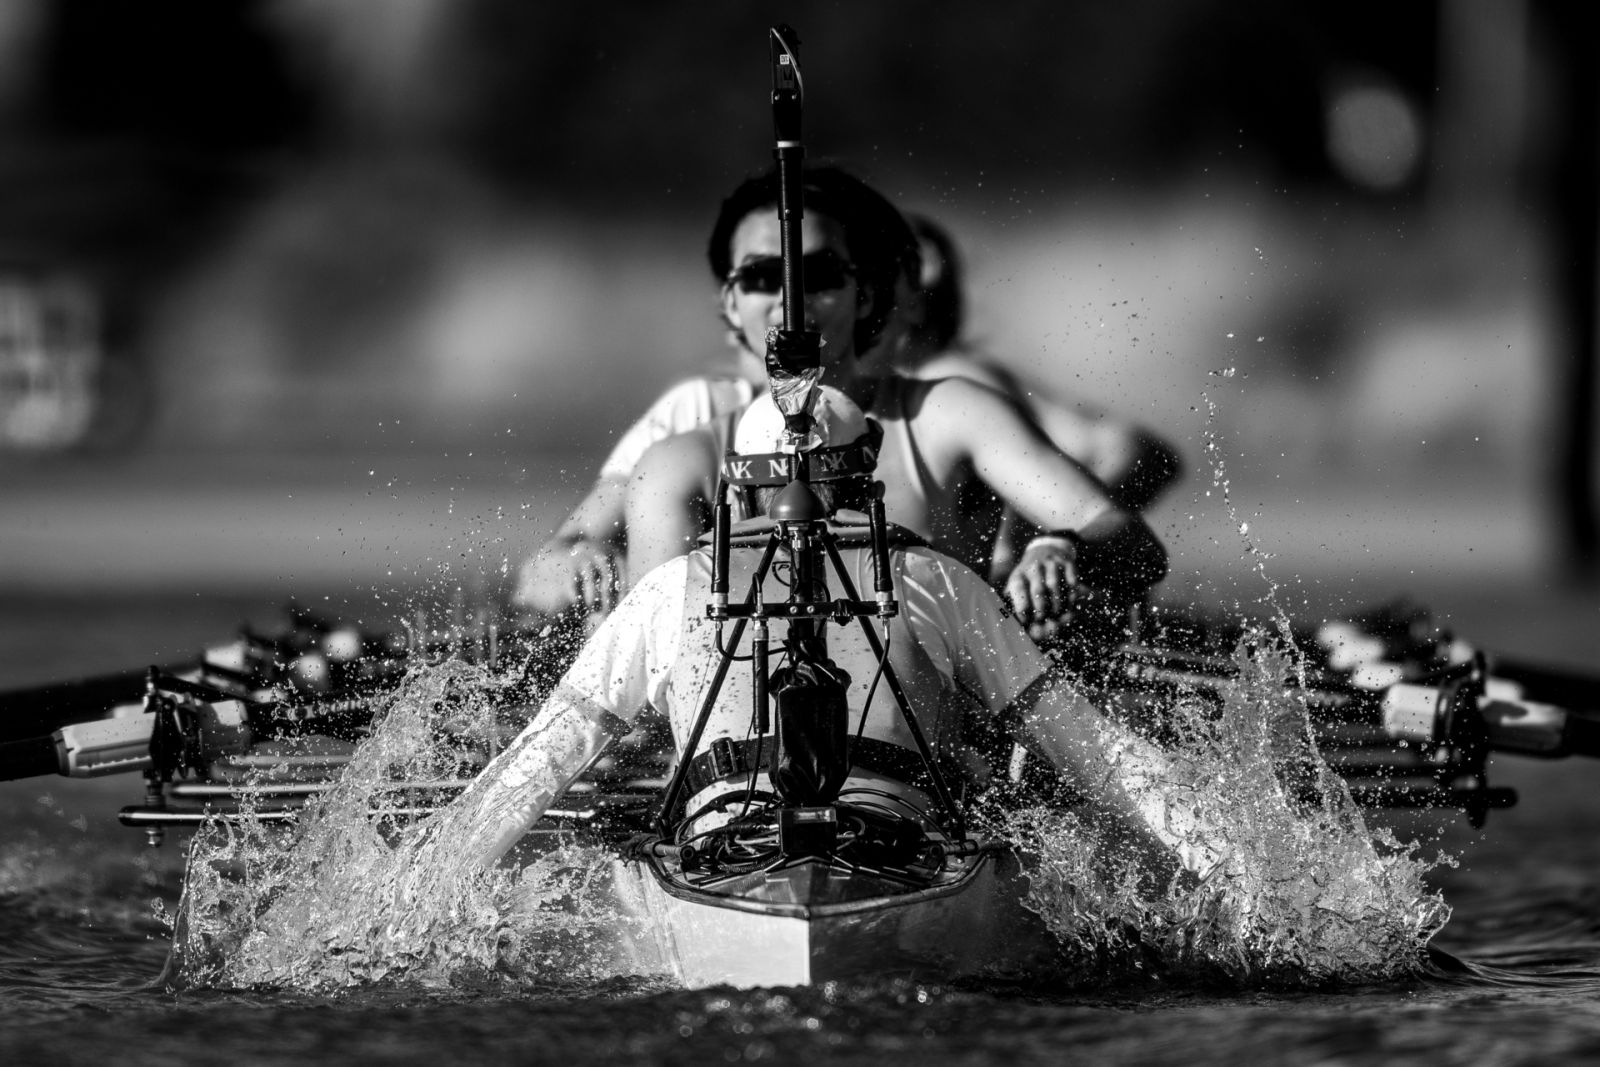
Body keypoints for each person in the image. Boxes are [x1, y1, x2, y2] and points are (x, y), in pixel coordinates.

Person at [445, 386, 1206, 879]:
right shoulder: (940, 579)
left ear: (738, 486)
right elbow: (1104, 756)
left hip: (724, 852)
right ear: (866, 480)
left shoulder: (668, 589)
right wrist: (1235, 872)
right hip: (894, 851)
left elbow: (538, 763)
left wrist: (412, 898)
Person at [626, 165, 1166, 643]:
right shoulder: (674, 468)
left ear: (864, 295)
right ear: (731, 301)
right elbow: (649, 666)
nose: (790, 300)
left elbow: (1133, 544)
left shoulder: (951, 416)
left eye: (819, 275)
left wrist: (1058, 547)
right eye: (763, 277)